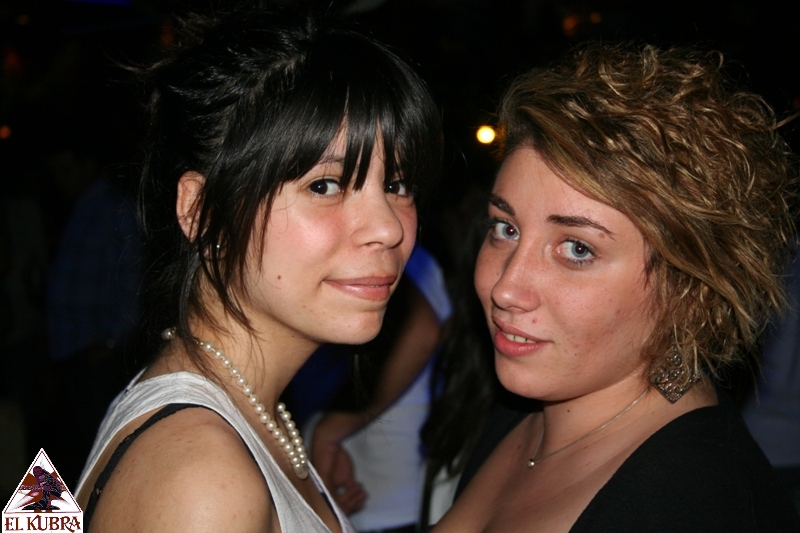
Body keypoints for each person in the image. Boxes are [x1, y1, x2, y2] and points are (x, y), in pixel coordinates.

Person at [73, 4, 442, 532]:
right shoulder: (202, 478)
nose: (388, 227)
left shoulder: (241, 416)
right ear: (201, 211)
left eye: (397, 184)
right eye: (325, 185)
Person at [432, 42, 800, 532]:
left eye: (577, 249)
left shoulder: (696, 505)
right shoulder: (530, 405)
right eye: (506, 228)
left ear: (689, 290)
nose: (506, 288)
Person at [301, 243, 452, 532]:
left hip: (384, 499)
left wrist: (330, 432)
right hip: (375, 489)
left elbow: (423, 332)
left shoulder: (392, 253)